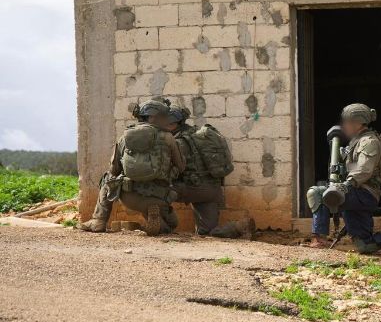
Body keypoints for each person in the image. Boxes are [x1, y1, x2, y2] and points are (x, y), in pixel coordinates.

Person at [307, 104, 381, 253]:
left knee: (316, 193)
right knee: (365, 245)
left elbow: (364, 170)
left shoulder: (369, 142)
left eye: (347, 122)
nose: (344, 126)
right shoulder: (357, 141)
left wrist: (345, 185)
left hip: (363, 193)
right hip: (356, 194)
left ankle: (319, 239)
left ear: (357, 123)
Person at [78, 99, 185, 236]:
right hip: (159, 196)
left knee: (107, 178)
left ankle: (98, 221)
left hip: (129, 197)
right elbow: (181, 167)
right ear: (152, 117)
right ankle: (160, 222)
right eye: (163, 117)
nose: (166, 120)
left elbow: (114, 170)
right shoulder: (168, 137)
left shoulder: (126, 136)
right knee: (173, 224)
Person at [166, 105, 255, 238]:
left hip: (193, 188)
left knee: (156, 191)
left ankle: (161, 228)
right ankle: (238, 226)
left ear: (173, 123)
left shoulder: (179, 142)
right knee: (207, 233)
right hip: (212, 190)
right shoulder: (197, 134)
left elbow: (171, 171)